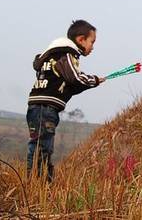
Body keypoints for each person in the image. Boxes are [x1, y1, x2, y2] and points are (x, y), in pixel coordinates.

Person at [26, 19, 106, 181]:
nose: (93, 47)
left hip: (36, 106)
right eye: (92, 41)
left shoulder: (51, 55)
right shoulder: (67, 53)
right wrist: (93, 80)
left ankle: (37, 182)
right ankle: (39, 183)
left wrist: (91, 83)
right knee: (43, 147)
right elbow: (75, 78)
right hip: (46, 108)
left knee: (39, 145)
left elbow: (68, 85)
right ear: (81, 39)